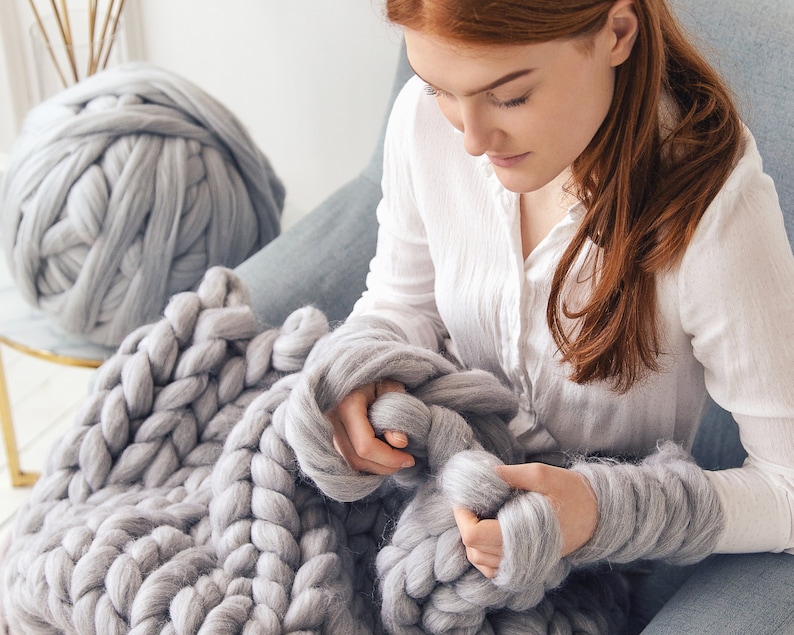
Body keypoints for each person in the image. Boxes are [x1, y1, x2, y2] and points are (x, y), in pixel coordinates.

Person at [309, 0, 794, 631]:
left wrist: (598, 511)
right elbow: (402, 303)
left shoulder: (712, 214)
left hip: (584, 579)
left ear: (617, 33)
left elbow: (788, 487)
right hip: (422, 499)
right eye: (437, 88)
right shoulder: (425, 126)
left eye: (509, 97)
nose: (471, 139)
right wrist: (362, 371)